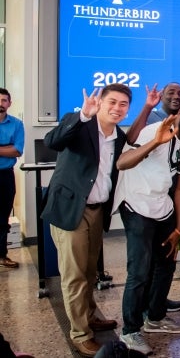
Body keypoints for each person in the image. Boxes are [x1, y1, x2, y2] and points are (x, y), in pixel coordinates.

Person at [114, 98, 180, 355]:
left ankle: (155, 318)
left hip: (162, 207)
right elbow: (122, 163)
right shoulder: (149, 131)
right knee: (139, 271)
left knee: (166, 263)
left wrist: (177, 229)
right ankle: (130, 332)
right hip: (136, 204)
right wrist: (155, 141)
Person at [41, 85, 130, 357]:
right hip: (71, 209)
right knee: (75, 275)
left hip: (96, 210)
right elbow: (51, 141)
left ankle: (89, 315)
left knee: (90, 270)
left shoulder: (119, 136)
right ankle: (80, 333)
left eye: (124, 104)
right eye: (112, 102)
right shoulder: (79, 123)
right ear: (99, 102)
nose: (117, 108)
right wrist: (82, 117)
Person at [123, 82, 180, 313]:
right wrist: (147, 108)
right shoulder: (152, 121)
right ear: (161, 97)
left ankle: (156, 300)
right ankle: (137, 315)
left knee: (164, 259)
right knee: (143, 263)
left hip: (166, 200)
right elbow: (130, 141)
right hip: (142, 200)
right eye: (171, 93)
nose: (177, 97)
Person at [0, 88, 24, 270]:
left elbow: (17, 150)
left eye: (4, 100)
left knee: (3, 217)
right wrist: (4, 148)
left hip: (5, 176)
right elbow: (9, 149)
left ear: (9, 103)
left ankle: (2, 255)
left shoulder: (16, 124)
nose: (1, 104)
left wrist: (9, 149)